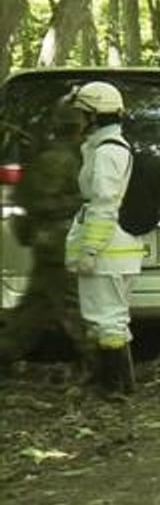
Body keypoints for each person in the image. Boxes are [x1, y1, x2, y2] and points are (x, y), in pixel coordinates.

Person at [63, 82, 147, 395]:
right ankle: (121, 384)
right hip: (115, 249)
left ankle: (112, 387)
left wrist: (90, 249)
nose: (77, 120)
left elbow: (104, 203)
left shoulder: (107, 152)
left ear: (95, 116)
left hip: (107, 251)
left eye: (82, 113)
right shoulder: (106, 148)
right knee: (113, 318)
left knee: (105, 319)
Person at [2, 103, 87, 366]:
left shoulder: (55, 156)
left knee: (35, 307)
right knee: (73, 306)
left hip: (50, 240)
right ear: (78, 127)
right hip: (58, 241)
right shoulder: (61, 158)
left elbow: (26, 197)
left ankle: (5, 352)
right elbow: (42, 202)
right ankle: (105, 369)